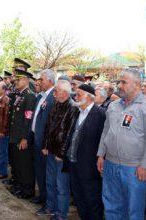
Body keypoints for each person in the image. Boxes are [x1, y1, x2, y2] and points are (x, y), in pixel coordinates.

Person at [97, 69, 146, 220]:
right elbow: (105, 131)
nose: (119, 85)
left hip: (135, 169)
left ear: (137, 85)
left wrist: (145, 166)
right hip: (110, 165)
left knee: (134, 211)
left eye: (124, 82)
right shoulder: (113, 106)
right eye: (119, 82)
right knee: (111, 206)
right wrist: (101, 154)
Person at [66, 84, 105, 220]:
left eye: (79, 94)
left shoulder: (100, 114)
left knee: (92, 200)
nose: (75, 97)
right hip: (74, 163)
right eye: (75, 95)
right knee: (79, 198)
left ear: (89, 97)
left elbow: (102, 140)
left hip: (90, 167)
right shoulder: (77, 112)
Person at [41, 80, 73, 219]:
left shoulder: (72, 108)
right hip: (51, 151)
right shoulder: (56, 105)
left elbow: (69, 134)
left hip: (61, 155)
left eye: (56, 91)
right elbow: (49, 128)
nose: (54, 94)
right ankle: (50, 207)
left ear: (65, 93)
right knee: (50, 182)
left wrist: (61, 153)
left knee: (61, 186)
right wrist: (45, 145)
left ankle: (61, 214)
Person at [8, 69, 36, 199]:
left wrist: (25, 137)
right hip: (15, 135)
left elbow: (27, 119)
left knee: (24, 165)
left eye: (18, 79)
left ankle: (28, 190)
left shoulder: (29, 96)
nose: (16, 82)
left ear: (25, 80)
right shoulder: (20, 95)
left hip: (22, 137)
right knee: (17, 163)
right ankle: (20, 186)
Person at [30, 69, 56, 212]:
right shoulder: (42, 96)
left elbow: (51, 124)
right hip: (36, 139)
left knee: (47, 174)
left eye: (42, 79)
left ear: (50, 80)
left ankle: (48, 202)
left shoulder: (53, 97)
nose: (39, 82)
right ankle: (42, 196)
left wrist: (45, 143)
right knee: (39, 171)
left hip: (45, 143)